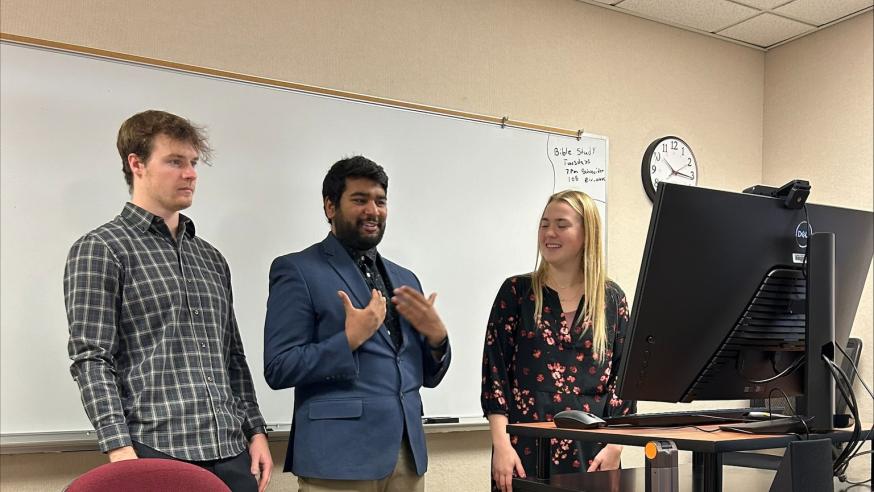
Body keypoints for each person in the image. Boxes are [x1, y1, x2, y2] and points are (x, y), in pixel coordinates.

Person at [64, 110, 273, 492]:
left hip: (230, 449)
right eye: (175, 161)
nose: (191, 173)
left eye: (193, 163)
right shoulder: (102, 249)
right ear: (136, 163)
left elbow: (233, 356)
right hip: (155, 450)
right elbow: (92, 359)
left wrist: (255, 430)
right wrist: (119, 449)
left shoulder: (210, 257)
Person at [263, 155, 451, 491]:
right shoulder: (297, 270)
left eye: (380, 201)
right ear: (330, 207)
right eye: (360, 200)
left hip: (406, 455)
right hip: (338, 458)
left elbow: (422, 375)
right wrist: (348, 340)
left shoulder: (405, 279)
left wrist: (437, 340)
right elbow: (279, 367)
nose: (373, 210)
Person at [481, 189, 635, 492]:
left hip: (594, 453)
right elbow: (495, 376)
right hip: (522, 451)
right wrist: (501, 445)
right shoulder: (516, 293)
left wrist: (615, 448)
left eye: (562, 225)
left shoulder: (611, 299)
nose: (549, 233)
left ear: (586, 233)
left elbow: (624, 380)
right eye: (544, 223)